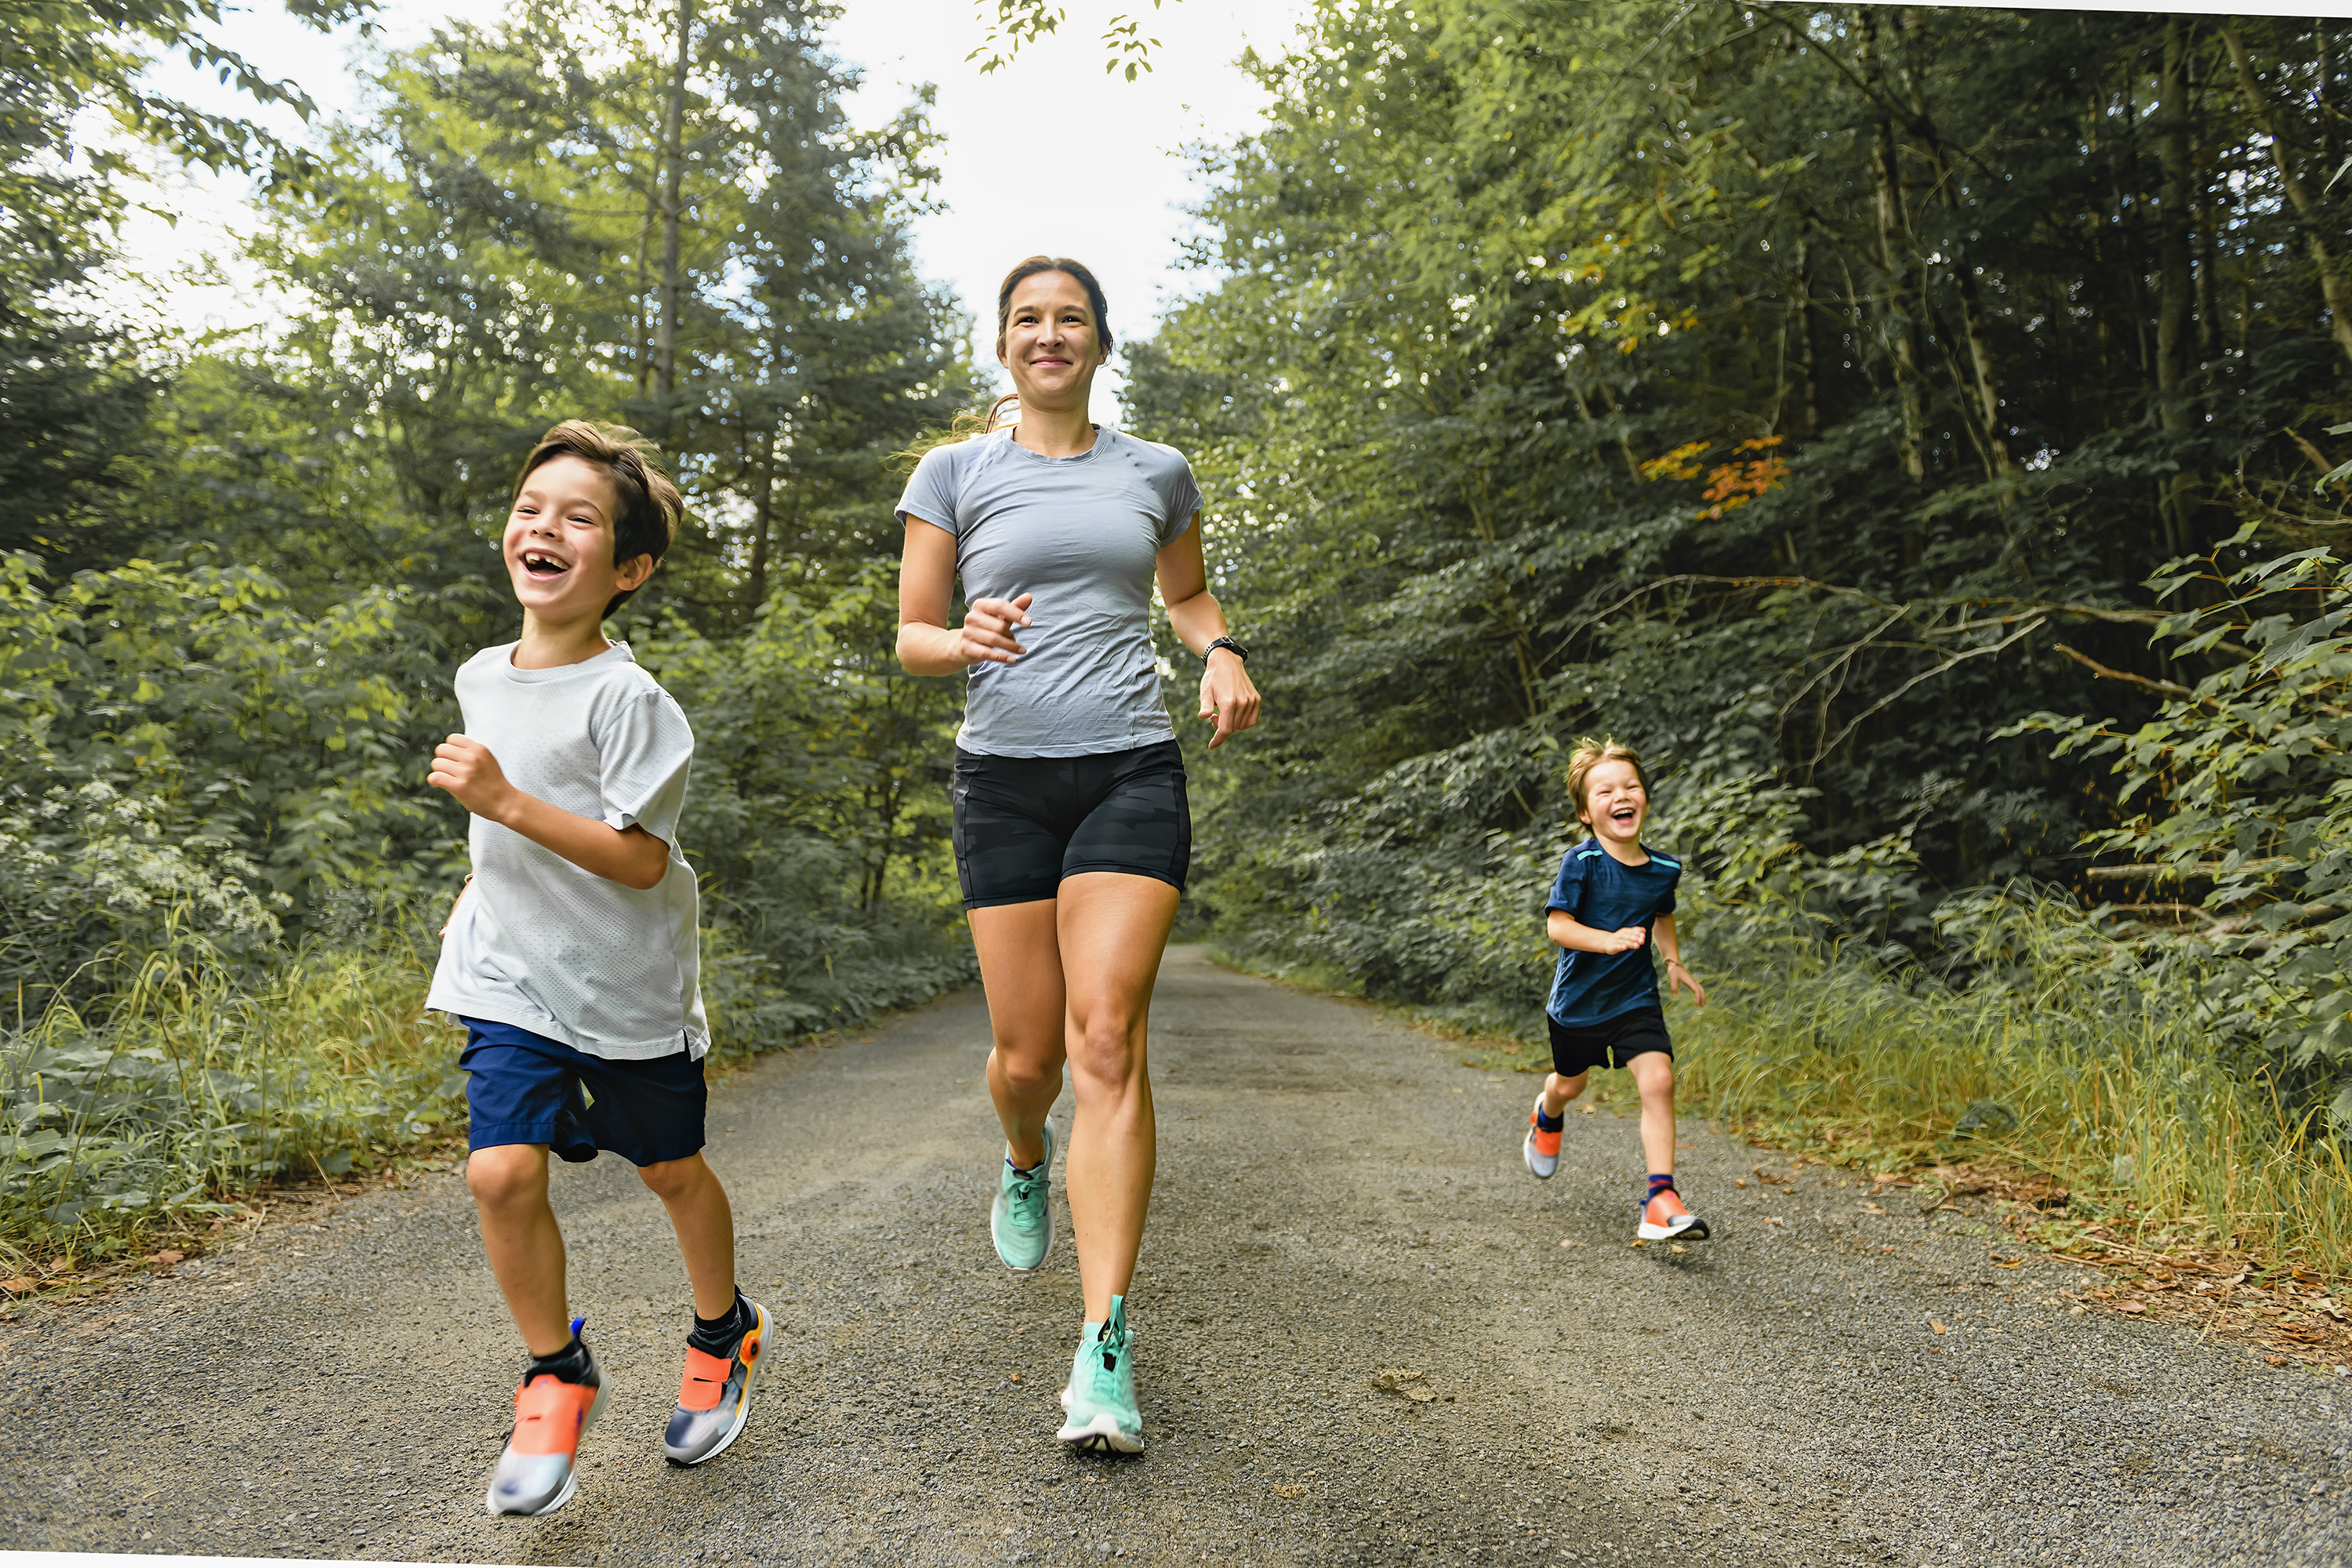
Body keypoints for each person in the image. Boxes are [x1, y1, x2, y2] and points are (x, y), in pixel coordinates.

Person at [894, 256, 1260, 1454]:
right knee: (1026, 1057)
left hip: (1129, 770)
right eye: (1028, 320)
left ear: (1102, 343)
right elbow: (912, 635)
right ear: (1003, 344)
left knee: (1108, 1034)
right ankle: (1019, 1151)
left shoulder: (1155, 471)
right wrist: (964, 640)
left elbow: (1189, 593)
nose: (1050, 336)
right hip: (1003, 781)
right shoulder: (954, 473)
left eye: (1071, 320)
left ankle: (1104, 1345)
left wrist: (1219, 651)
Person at [425, 420, 768, 1516]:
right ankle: (554, 1373)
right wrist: (486, 869)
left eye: (579, 519)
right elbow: (504, 820)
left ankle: (725, 1329)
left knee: (670, 1171)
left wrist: (505, 806)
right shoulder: (484, 673)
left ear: (628, 570)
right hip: (509, 972)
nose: (545, 528)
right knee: (499, 1172)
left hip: (625, 983)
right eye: (534, 509)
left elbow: (636, 858)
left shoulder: (633, 703)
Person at [1521, 738, 1711, 1243]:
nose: (1620, 795)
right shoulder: (1581, 864)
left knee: (1659, 1081)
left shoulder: (1664, 869)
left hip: (1635, 1000)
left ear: (1644, 797)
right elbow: (1558, 928)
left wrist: (1672, 961)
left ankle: (1660, 1199)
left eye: (1630, 786)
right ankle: (1548, 1113)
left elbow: (1662, 912)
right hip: (1578, 1006)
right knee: (1570, 1084)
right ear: (1586, 812)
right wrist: (1606, 941)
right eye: (1604, 791)